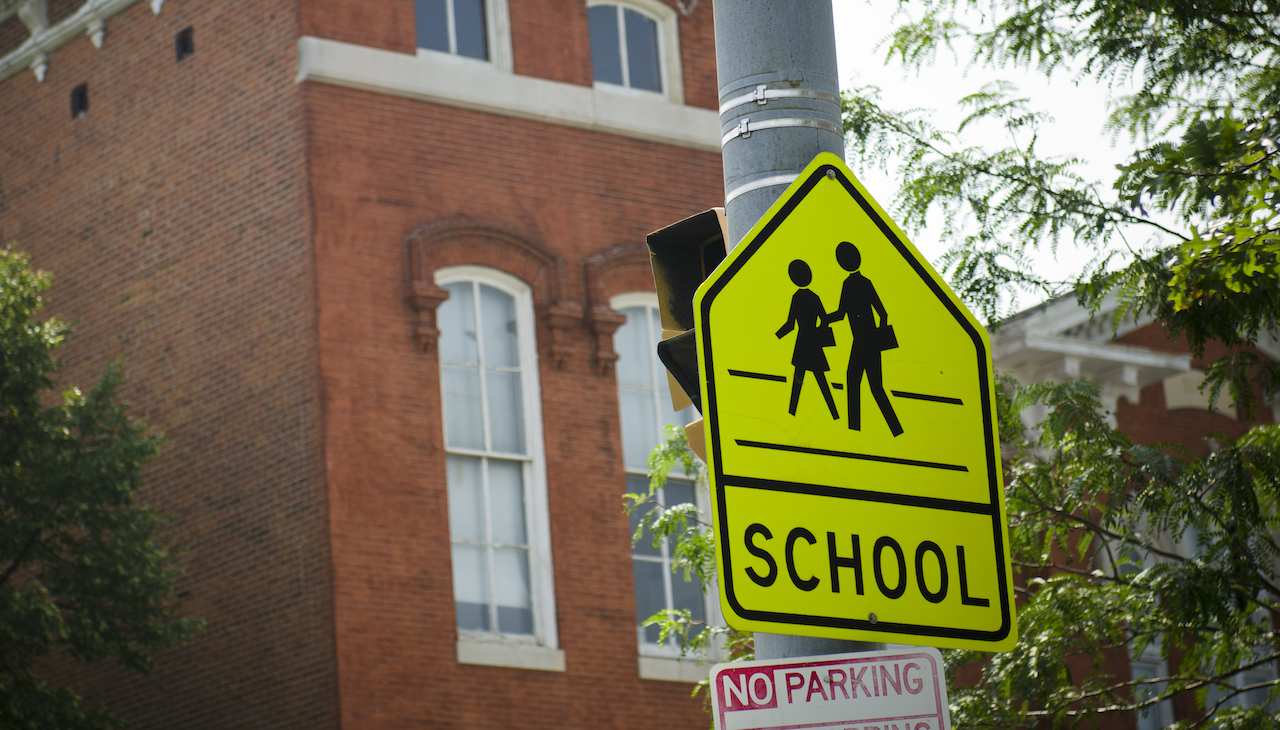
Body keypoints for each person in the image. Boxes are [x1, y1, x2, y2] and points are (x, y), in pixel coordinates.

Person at [826, 242, 903, 436]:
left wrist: (824, 319)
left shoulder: (851, 284)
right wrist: (879, 337)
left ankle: (857, 430)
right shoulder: (861, 282)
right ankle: (891, 430)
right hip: (867, 342)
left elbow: (844, 314)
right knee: (870, 386)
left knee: (858, 383)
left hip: (862, 341)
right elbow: (881, 314)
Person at [776, 259, 839, 419]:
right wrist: (820, 332)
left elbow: (790, 324)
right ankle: (834, 413)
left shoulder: (797, 297)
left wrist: (775, 337)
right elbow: (824, 318)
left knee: (798, 380)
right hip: (814, 342)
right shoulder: (814, 297)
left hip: (803, 342)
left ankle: (791, 414)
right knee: (820, 380)